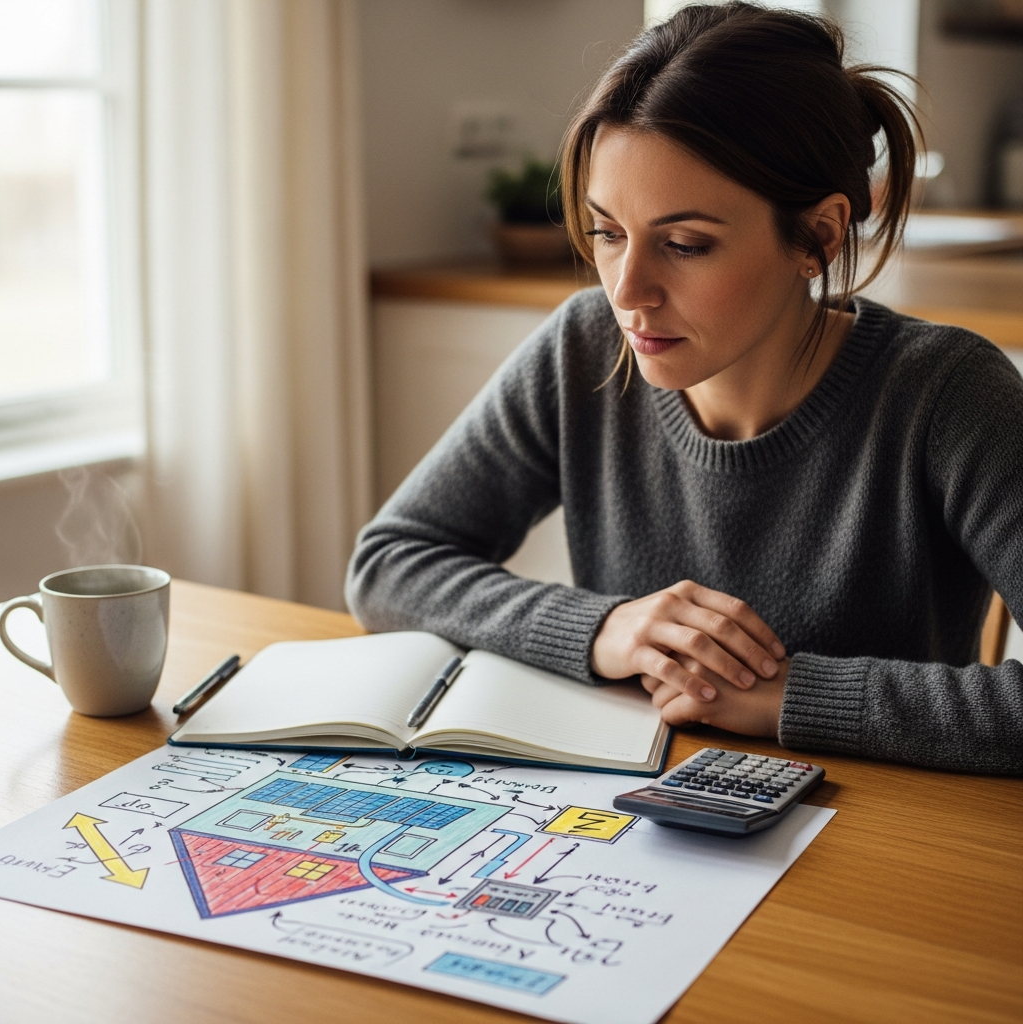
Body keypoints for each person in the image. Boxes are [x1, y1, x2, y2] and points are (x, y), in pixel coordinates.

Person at [347, 3, 1022, 775]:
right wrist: (609, 630)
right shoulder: (584, 347)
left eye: (686, 244)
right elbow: (390, 564)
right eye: (608, 232)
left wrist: (794, 694)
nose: (627, 290)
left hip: (887, 849)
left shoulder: (950, 396)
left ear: (820, 237)